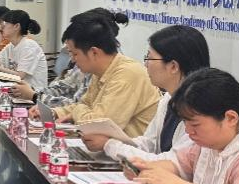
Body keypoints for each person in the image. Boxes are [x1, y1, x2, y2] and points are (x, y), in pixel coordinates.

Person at [87, 25, 210, 157]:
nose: (145, 64)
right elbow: (149, 144)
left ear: (173, 66)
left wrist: (110, 145)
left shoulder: (200, 110)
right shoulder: (169, 99)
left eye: (149, 58)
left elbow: (170, 162)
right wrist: (111, 143)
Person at [50, 10, 159, 136]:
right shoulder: (101, 71)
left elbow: (100, 126)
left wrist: (78, 111)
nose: (72, 60)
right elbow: (85, 105)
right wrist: (56, 112)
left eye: (75, 54)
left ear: (94, 52)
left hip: (131, 147)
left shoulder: (127, 74)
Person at [0, 9, 48, 90]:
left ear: (16, 26)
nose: (1, 27)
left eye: (5, 23)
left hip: (34, 93)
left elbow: (20, 76)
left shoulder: (29, 46)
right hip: (16, 90)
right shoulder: (11, 46)